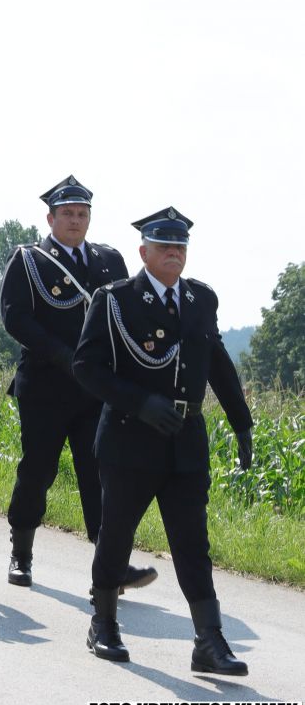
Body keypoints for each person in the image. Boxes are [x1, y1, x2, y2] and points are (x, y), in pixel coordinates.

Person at [74, 207, 253, 675]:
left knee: (193, 542)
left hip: (185, 439)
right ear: (144, 252)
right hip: (130, 438)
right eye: (164, 245)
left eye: (180, 246)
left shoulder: (200, 299)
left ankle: (208, 641)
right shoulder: (115, 299)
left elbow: (217, 362)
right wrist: (139, 403)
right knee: (116, 534)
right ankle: (103, 623)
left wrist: (242, 422)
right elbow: (86, 368)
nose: (174, 252)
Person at [0, 176, 155, 592]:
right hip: (45, 386)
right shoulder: (29, 260)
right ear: (50, 218)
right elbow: (16, 318)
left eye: (82, 213)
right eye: (67, 213)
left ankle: (111, 567)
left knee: (101, 475)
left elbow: (127, 315)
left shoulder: (109, 260)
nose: (75, 220)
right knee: (38, 470)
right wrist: (66, 357)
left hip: (95, 391)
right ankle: (21, 553)